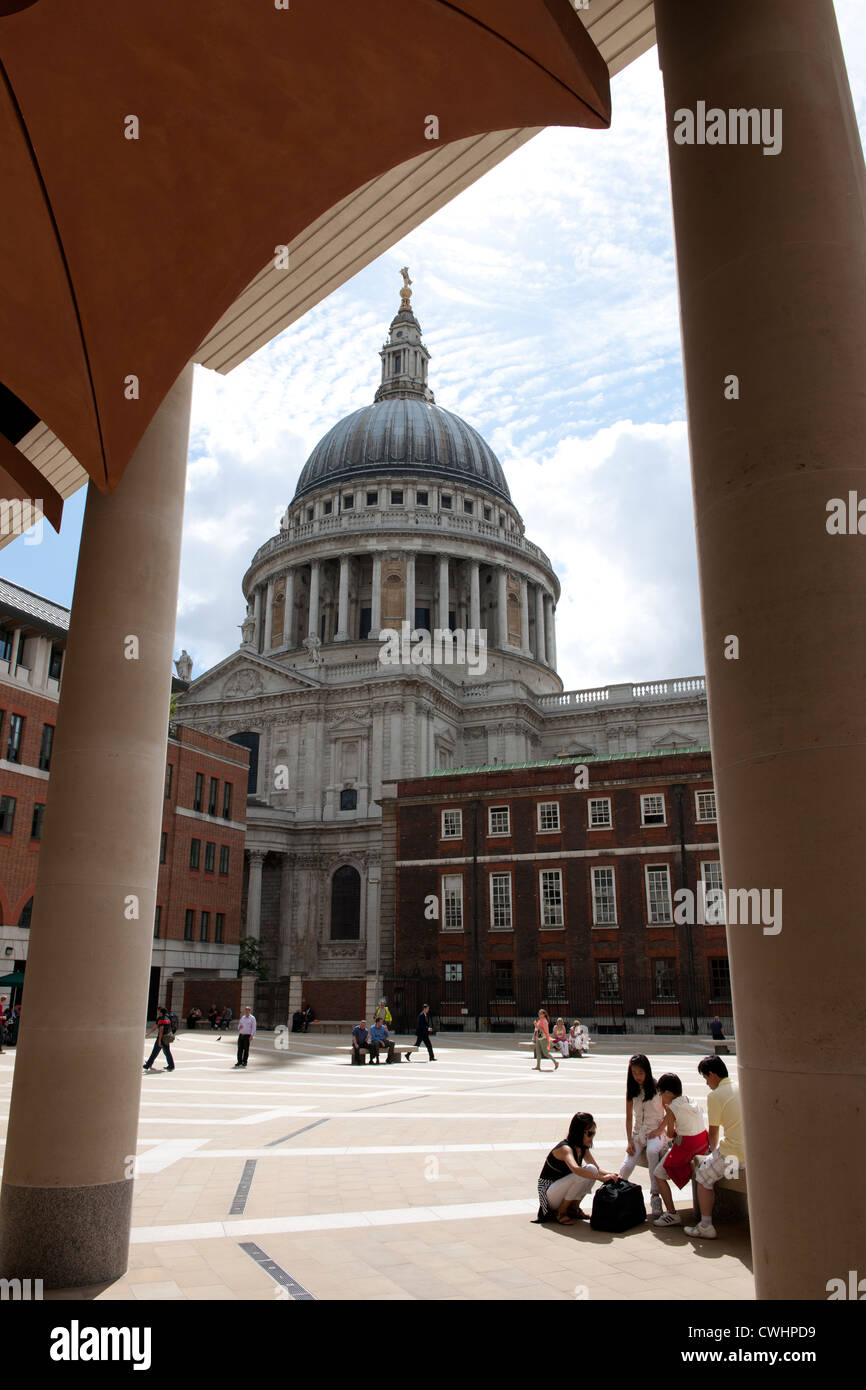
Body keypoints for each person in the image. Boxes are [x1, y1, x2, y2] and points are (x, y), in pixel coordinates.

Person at [685, 1056, 745, 1240]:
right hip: (751, 1154)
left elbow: (713, 1133)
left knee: (703, 1176)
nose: (707, 1083)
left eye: (705, 1078)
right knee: (729, 1170)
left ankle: (705, 1225)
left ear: (712, 1075)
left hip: (734, 1154)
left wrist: (711, 1153)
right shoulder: (741, 1086)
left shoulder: (715, 1095)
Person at [535, 1112, 619, 1224]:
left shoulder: (582, 1148)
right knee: (579, 1175)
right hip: (549, 1194)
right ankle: (561, 1212)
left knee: (591, 1169)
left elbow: (597, 1169)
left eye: (593, 1133)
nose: (592, 1137)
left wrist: (612, 1175)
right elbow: (576, 1169)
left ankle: (573, 1209)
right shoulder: (565, 1148)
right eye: (589, 1133)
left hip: (560, 1190)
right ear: (579, 1132)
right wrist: (601, 1178)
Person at [651, 1072, 708, 1226]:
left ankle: (671, 1213)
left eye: (661, 1093)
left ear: (668, 1093)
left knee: (658, 1173)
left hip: (688, 1148)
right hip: (702, 1144)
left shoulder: (672, 1107)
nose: (661, 1097)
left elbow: (669, 1134)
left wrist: (666, 1109)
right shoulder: (691, 1100)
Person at [618, 1053, 668, 1219]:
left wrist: (661, 1129)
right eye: (634, 1073)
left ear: (647, 1071)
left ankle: (655, 1196)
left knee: (652, 1152)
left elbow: (670, 1112)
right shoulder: (632, 1091)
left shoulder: (658, 1088)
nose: (637, 1077)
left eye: (640, 1072)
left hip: (655, 1132)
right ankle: (616, 1192)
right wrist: (629, 1141)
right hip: (638, 1134)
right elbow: (628, 1117)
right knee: (627, 1165)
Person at [143, 1007, 175, 1071]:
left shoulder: (162, 1019)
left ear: (160, 1012)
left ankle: (147, 1065)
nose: (157, 1011)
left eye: (158, 1010)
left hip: (162, 1038)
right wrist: (148, 1034)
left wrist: (159, 1040)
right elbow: (155, 1026)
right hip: (167, 1038)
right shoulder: (165, 1018)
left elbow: (161, 1030)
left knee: (155, 1052)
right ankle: (171, 1066)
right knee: (167, 1052)